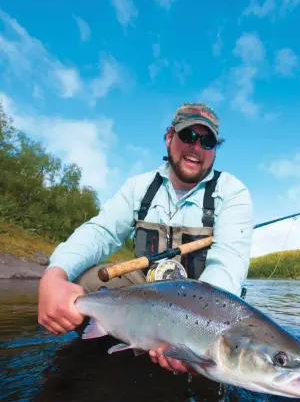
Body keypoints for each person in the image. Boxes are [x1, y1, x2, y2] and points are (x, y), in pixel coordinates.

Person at [38, 102, 253, 374]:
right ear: (169, 137)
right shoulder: (138, 187)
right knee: (83, 282)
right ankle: (102, 357)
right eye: (188, 136)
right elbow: (100, 232)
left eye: (207, 141)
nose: (196, 147)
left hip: (205, 304)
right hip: (147, 288)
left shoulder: (233, 193)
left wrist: (194, 335)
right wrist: (55, 274)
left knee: (217, 352)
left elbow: (228, 262)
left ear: (214, 149)